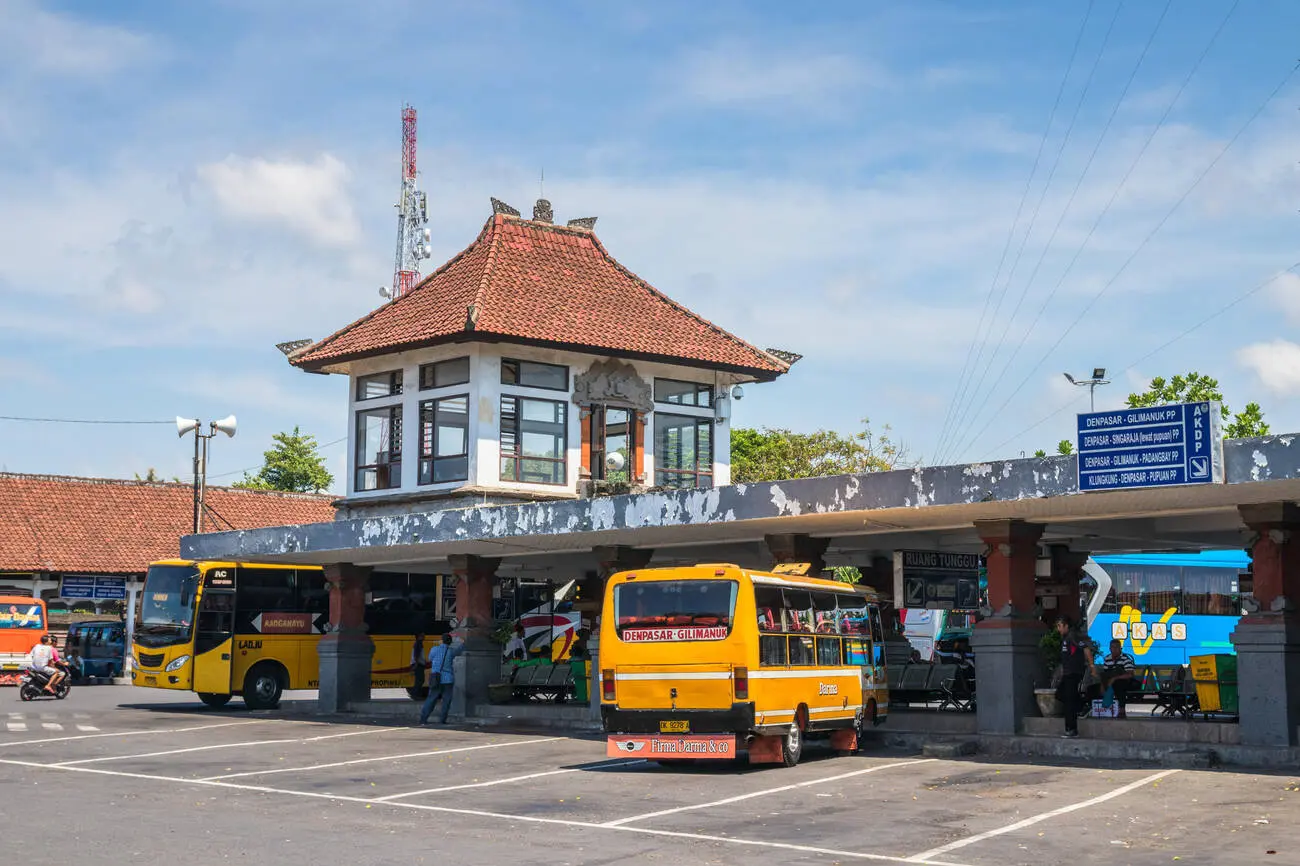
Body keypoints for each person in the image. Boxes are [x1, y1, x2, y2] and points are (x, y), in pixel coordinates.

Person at [1055, 617, 1094, 738]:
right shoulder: (1065, 639)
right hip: (1067, 673)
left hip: (1073, 672)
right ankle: (1082, 705)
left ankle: (1071, 729)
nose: (1058, 629)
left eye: (1060, 626)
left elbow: (1086, 648)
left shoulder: (1073, 636)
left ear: (1066, 626)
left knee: (1069, 702)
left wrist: (1092, 666)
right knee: (1060, 694)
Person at [419, 633, 466, 726]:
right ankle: (442, 719)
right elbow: (462, 648)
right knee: (446, 700)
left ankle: (423, 719)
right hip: (448, 679)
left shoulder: (434, 649)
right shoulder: (451, 651)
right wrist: (463, 640)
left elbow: (430, 658)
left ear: (442, 640)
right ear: (450, 642)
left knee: (431, 698)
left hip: (435, 677)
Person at [1100, 638, 1137, 719]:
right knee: (1091, 689)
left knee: (1119, 684)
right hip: (1111, 683)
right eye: (1113, 647)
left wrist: (1114, 679)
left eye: (1117, 647)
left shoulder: (1125, 659)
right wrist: (1103, 685)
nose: (1115, 649)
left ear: (1120, 648)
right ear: (1110, 648)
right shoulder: (1107, 659)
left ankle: (1122, 710)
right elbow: (1105, 674)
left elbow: (1130, 674)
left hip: (1125, 682)